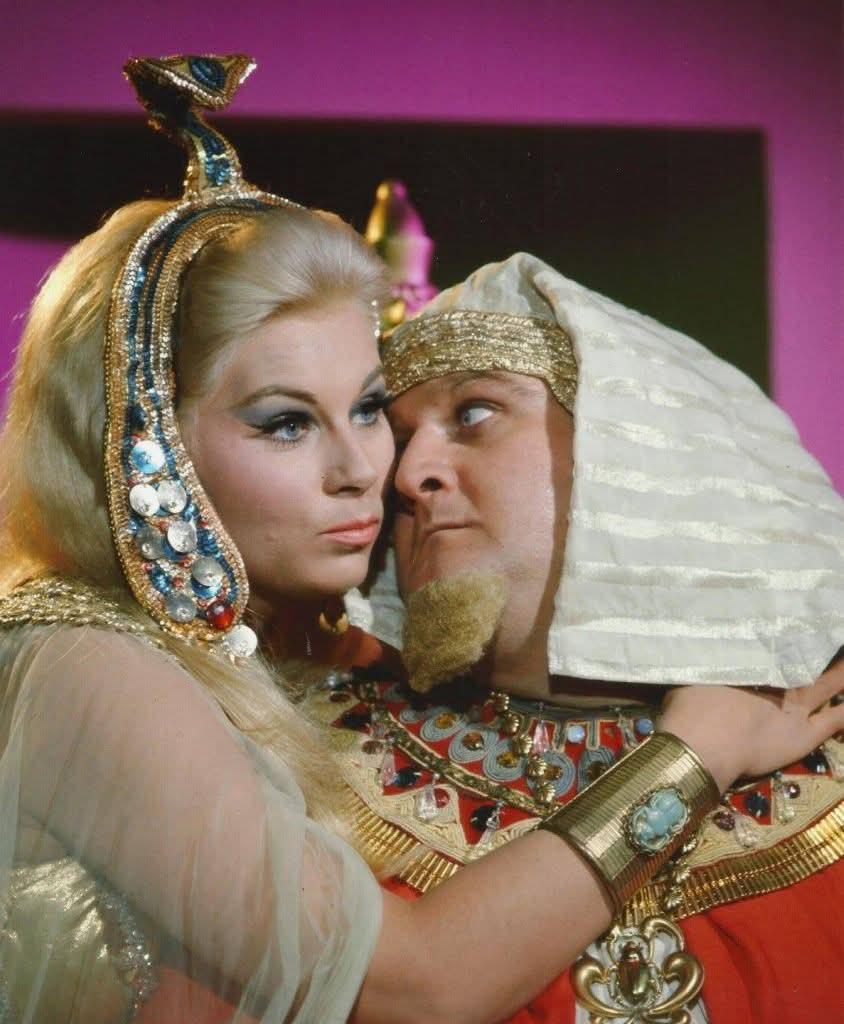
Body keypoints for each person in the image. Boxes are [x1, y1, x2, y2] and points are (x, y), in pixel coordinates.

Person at [0, 54, 840, 1024]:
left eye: (367, 410)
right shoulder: (78, 661)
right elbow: (414, 987)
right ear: (142, 444)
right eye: (286, 422)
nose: (380, 469)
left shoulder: (292, 667)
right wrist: (699, 747)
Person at [334, 252, 844, 1023]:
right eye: (399, 441)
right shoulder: (308, 773)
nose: (408, 476)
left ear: (631, 444)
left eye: (473, 413)